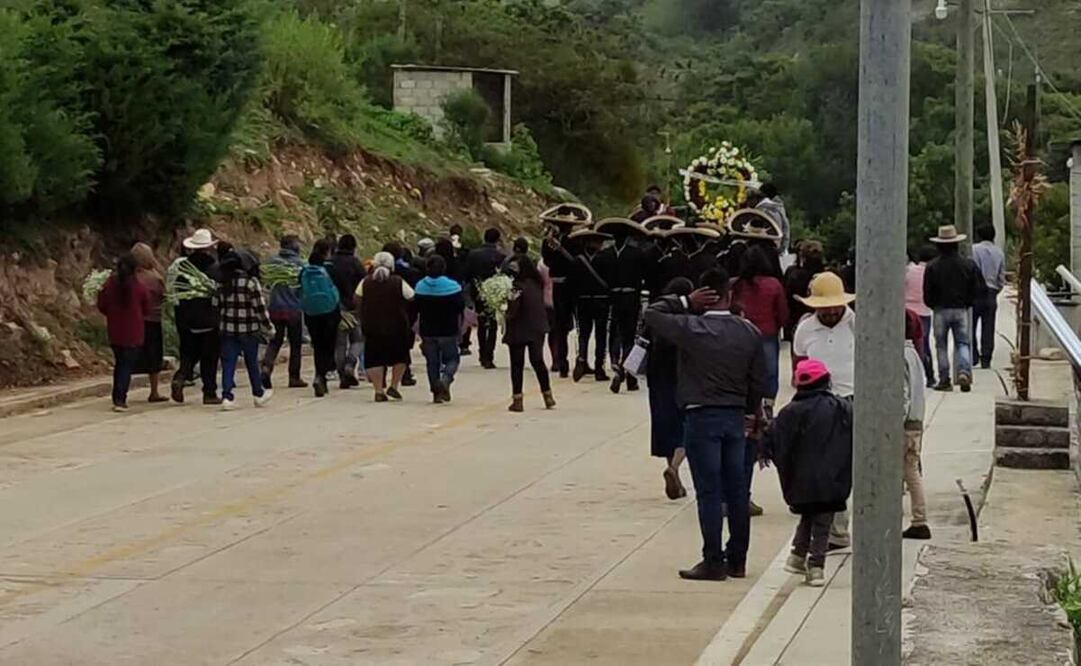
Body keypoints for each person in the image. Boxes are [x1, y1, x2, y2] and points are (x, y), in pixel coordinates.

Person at [643, 268, 767, 581]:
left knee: (709, 491)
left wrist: (685, 301)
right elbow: (758, 380)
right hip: (736, 417)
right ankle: (737, 559)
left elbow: (652, 314)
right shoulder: (749, 332)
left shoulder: (691, 327)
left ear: (704, 295)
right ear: (729, 295)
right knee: (737, 491)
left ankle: (713, 560)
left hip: (701, 416)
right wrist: (752, 413)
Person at [763, 358, 853, 587]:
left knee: (808, 515)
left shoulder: (787, 413)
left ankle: (796, 555)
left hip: (800, 482)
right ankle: (816, 566)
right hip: (831, 479)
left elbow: (773, 444)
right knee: (823, 524)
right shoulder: (839, 408)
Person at [792, 271, 855, 550]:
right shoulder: (805, 329)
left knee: (849, 468)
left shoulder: (858, 324)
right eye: (823, 307)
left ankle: (841, 529)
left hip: (853, 402)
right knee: (829, 470)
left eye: (834, 306)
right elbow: (799, 369)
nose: (829, 312)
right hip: (820, 406)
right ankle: (836, 532)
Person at [644, 277, 695, 500]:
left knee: (664, 424)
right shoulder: (689, 321)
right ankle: (674, 468)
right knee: (686, 425)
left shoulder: (656, 321)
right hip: (683, 376)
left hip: (657, 376)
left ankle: (674, 475)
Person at [923, 225, 983, 392]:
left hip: (940, 309)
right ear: (957, 244)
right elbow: (976, 288)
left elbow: (927, 292)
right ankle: (964, 372)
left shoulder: (932, 266)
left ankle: (944, 379)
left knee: (941, 345)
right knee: (963, 343)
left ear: (939, 245)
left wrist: (932, 304)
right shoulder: (968, 265)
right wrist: (968, 302)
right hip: (961, 309)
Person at [213, 248, 273, 411]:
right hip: (249, 330)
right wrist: (268, 327)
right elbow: (260, 308)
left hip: (228, 330)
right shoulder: (250, 283)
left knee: (228, 363)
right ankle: (258, 394)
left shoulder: (222, 284)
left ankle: (226, 396)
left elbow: (215, 305)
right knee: (252, 362)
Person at [732, 245, 789, 405]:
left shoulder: (736, 285)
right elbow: (782, 312)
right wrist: (780, 326)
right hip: (767, 333)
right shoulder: (774, 284)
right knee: (770, 374)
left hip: (742, 334)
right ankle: (768, 406)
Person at [594, 218, 646, 394]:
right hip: (631, 297)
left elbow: (597, 274)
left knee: (614, 334)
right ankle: (629, 375)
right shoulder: (637, 254)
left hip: (614, 297)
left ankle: (617, 364)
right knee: (630, 337)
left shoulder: (604, 255)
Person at [171, 229, 222, 405]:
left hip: (186, 318)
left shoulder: (183, 267)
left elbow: (177, 290)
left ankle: (181, 376)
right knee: (209, 356)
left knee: (188, 353)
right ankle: (209, 392)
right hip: (209, 318)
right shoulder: (214, 267)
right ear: (209, 247)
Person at [358, 252, 415, 402]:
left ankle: (378, 390)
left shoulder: (366, 282)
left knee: (374, 358)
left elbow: (357, 298)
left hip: (372, 326)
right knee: (400, 357)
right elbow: (411, 297)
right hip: (396, 327)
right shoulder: (398, 281)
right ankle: (394, 386)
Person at [97, 253, 151, 411]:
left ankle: (117, 396)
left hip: (115, 330)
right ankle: (120, 398)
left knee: (120, 363)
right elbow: (147, 308)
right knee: (126, 365)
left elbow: (102, 305)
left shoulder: (109, 284)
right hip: (134, 331)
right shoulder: (138, 287)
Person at [503, 252, 556, 412]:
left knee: (517, 365)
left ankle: (517, 399)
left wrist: (504, 311)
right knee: (538, 362)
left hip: (519, 328)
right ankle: (548, 396)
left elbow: (513, 310)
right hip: (537, 327)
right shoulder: (536, 284)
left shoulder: (516, 287)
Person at [415, 254, 465, 403]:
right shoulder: (453, 287)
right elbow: (460, 307)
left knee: (432, 362)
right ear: (444, 268)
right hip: (448, 330)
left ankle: (436, 392)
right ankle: (446, 379)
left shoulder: (420, 286)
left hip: (428, 331)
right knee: (452, 359)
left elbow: (415, 308)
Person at [261, 235, 307, 390]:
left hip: (275, 308)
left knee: (275, 341)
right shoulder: (300, 264)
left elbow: (266, 283)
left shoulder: (272, 262)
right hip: (293, 308)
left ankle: (266, 367)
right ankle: (294, 377)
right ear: (294, 246)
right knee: (295, 344)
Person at [297, 240, 341, 397]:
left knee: (318, 345)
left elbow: (299, 289)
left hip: (311, 312)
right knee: (329, 344)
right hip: (330, 311)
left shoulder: (303, 272)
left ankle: (319, 375)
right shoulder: (329, 269)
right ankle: (323, 374)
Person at [569, 229, 612, 382]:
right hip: (601, 301)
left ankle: (581, 359)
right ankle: (599, 367)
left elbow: (571, 285)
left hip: (583, 301)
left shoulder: (576, 261)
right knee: (601, 336)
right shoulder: (607, 259)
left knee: (584, 334)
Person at [903, 309, 932, 540]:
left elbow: (902, 393)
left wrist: (894, 422)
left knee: (909, 470)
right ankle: (918, 519)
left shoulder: (900, 355)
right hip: (916, 418)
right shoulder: (913, 354)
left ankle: (920, 519)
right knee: (909, 469)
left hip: (904, 423)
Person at [464, 228, 507, 369]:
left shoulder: (473, 254)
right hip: (495, 293)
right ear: (497, 240)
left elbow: (468, 274)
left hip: (478, 292)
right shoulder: (501, 256)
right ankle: (489, 355)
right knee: (493, 323)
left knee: (482, 322)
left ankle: (482, 354)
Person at [130, 243, 167, 403]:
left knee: (131, 354)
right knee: (154, 355)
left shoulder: (130, 277)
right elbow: (163, 295)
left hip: (133, 320)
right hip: (153, 318)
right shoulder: (155, 278)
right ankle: (154, 391)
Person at [330, 234, 366, 388]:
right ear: (353, 247)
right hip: (353, 307)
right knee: (358, 339)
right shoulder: (355, 263)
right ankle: (350, 363)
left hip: (334, 308)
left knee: (339, 344)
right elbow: (363, 283)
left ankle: (341, 375)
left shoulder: (330, 263)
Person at [971, 223, 1005, 369]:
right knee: (988, 326)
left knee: (970, 326)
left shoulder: (973, 249)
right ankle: (986, 358)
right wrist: (996, 290)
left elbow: (971, 269)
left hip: (975, 291)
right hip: (991, 292)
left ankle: (973, 355)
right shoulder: (999, 253)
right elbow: (1001, 279)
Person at [905, 245, 937, 387]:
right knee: (924, 345)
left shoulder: (908, 271)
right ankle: (929, 376)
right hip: (924, 312)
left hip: (908, 312)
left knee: (907, 346)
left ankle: (912, 375)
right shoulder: (931, 272)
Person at [782, 240, 824, 343]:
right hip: (824, 322)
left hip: (797, 322)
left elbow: (787, 300)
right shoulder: (829, 275)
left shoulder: (794, 275)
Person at [751, 183, 792, 254]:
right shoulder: (779, 207)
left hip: (772, 248)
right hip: (779, 247)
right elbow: (786, 227)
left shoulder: (767, 209)